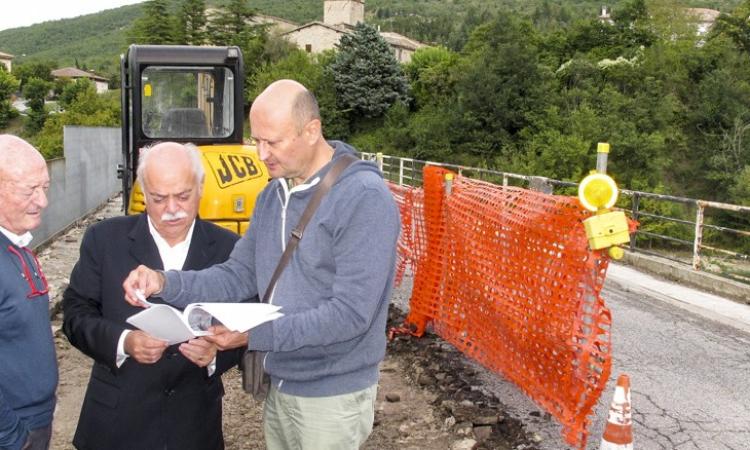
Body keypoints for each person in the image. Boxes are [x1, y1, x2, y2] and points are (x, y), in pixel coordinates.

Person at [123, 79, 401, 449]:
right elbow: (238, 274)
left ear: (311, 131)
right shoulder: (273, 194)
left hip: (330, 395)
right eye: (257, 140)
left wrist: (252, 336)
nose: (260, 153)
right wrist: (164, 282)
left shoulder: (363, 198)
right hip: (281, 380)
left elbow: (350, 314)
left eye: (272, 142)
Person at [62, 142, 244, 450]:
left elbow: (248, 321)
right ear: (143, 194)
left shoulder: (230, 249)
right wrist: (124, 342)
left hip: (193, 426)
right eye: (159, 199)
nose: (172, 209)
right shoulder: (104, 240)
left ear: (200, 187)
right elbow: (75, 316)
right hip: (116, 426)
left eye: (183, 196)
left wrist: (217, 354)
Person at [0, 135, 56, 450]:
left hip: (31, 421)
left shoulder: (16, 244)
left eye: (44, 187)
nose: (43, 201)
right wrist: (11, 436)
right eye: (29, 190)